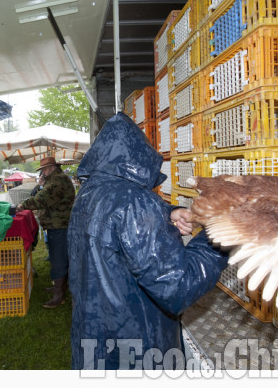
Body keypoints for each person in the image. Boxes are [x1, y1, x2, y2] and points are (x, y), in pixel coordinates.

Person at [67, 113, 229, 370]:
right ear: (139, 155)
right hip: (139, 351)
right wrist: (220, 233)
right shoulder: (136, 202)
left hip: (95, 344)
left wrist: (167, 213)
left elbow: (115, 223)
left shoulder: (88, 193)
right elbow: (177, 287)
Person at [16, 156, 75, 308]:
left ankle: (59, 295)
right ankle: (59, 287)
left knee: (58, 260)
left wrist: (23, 205)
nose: (42, 172)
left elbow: (41, 199)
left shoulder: (57, 182)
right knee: (59, 257)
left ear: (49, 168)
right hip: (58, 224)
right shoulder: (56, 180)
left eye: (43, 170)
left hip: (60, 225)